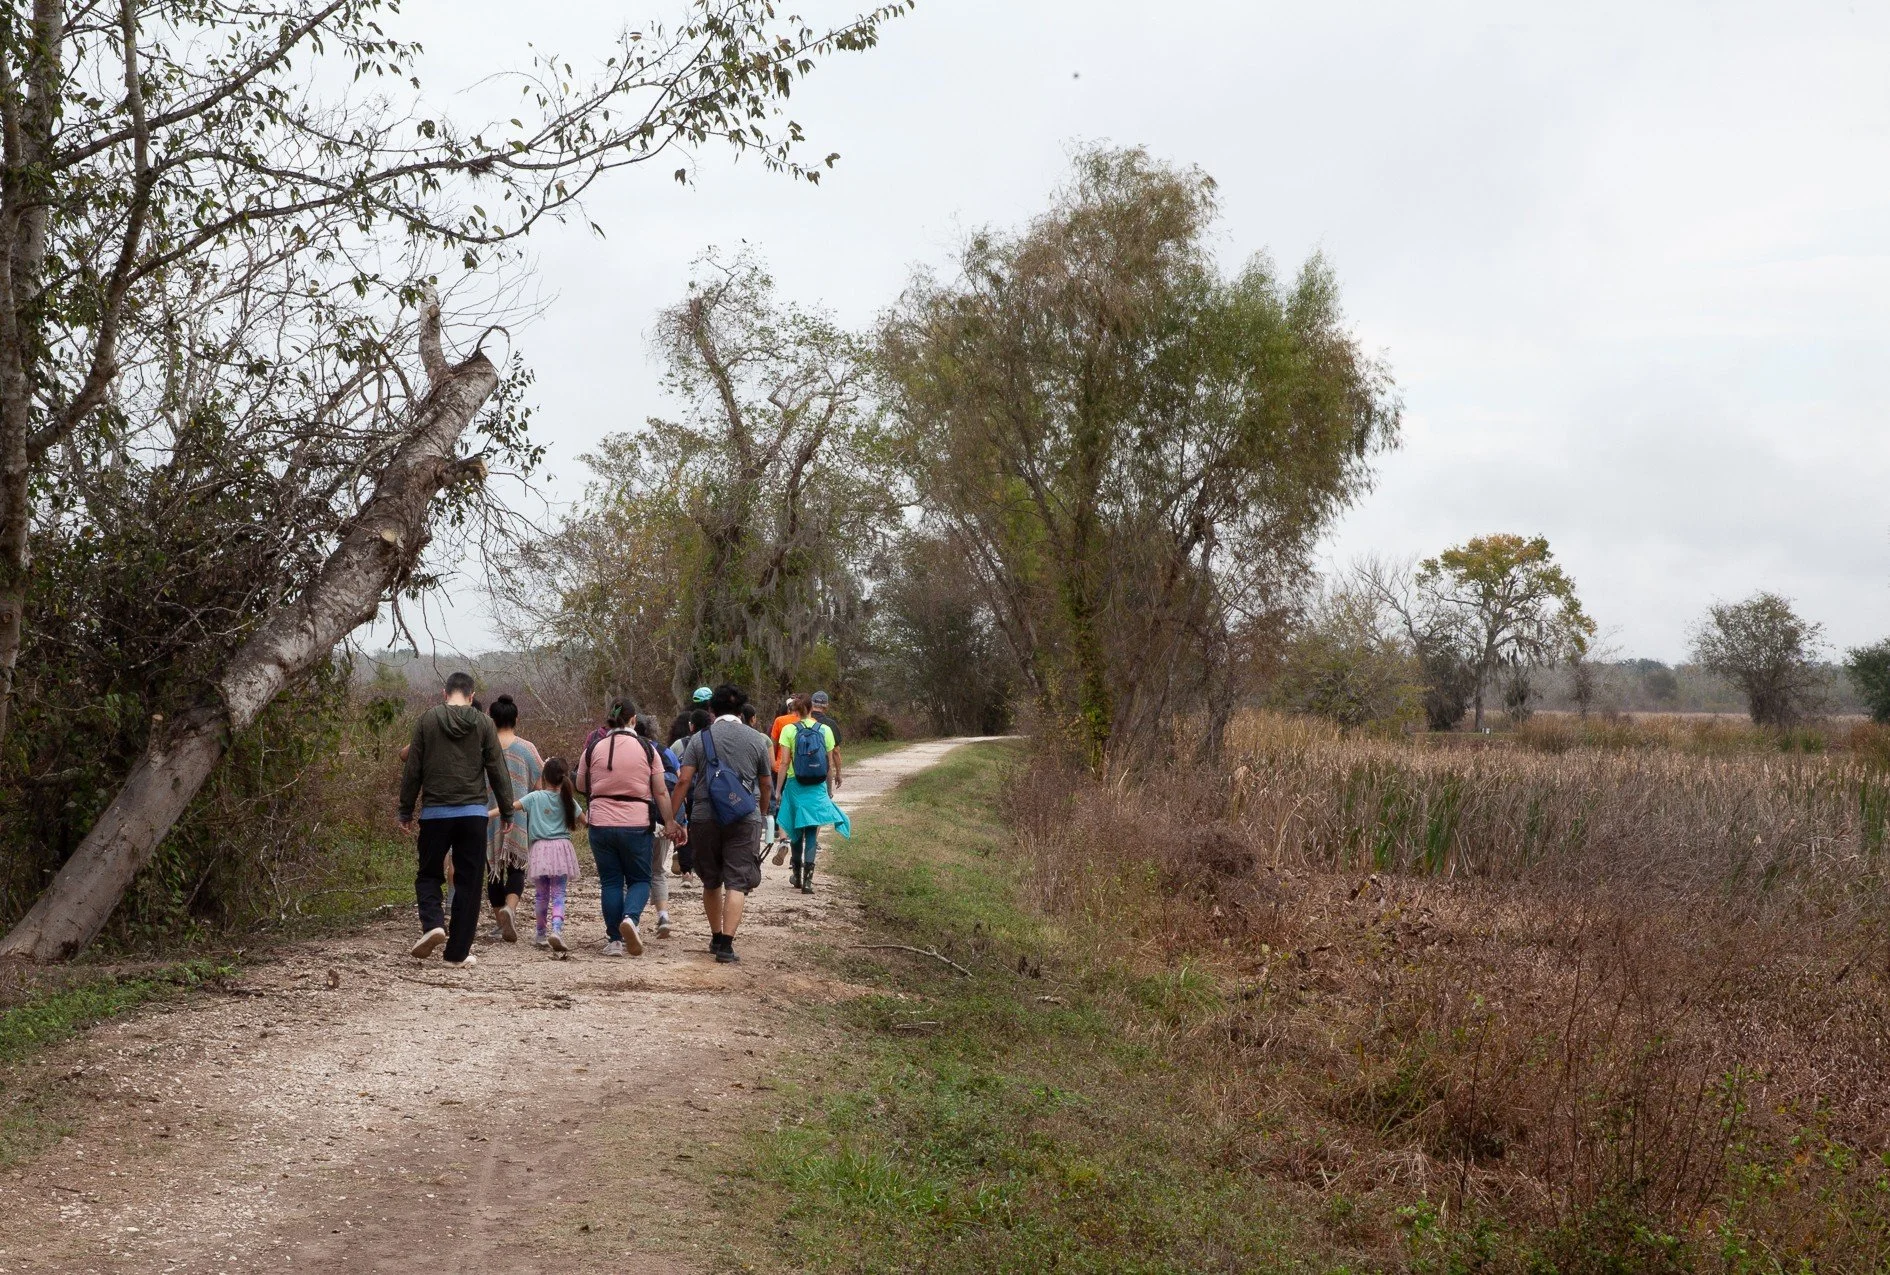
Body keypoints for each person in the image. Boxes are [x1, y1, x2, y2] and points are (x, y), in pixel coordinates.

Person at [399, 671, 516, 967]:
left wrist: (405, 809)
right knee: (468, 882)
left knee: (428, 874)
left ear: (444, 693)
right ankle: (457, 953)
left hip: (435, 813)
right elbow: (497, 769)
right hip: (473, 814)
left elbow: (413, 769)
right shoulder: (483, 723)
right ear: (472, 696)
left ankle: (434, 924)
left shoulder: (427, 720)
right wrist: (507, 809)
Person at [672, 684, 775, 964]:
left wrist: (671, 817)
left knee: (711, 879)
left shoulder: (699, 739)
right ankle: (727, 946)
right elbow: (766, 783)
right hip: (744, 816)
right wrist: (762, 813)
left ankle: (715, 936)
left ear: (711, 710)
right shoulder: (757, 739)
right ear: (742, 711)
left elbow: (683, 780)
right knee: (737, 881)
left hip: (705, 817)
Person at [575, 699, 684, 957]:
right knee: (640, 879)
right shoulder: (647, 749)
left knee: (611, 881)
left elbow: (581, 784)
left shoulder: (593, 748)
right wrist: (669, 821)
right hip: (636, 823)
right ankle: (631, 919)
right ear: (634, 719)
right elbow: (660, 790)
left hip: (600, 823)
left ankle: (614, 940)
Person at [775, 693, 851, 893]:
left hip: (794, 784)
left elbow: (783, 763)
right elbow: (828, 764)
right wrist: (828, 789)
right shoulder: (825, 729)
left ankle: (797, 876)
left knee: (795, 830)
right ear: (811, 709)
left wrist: (777, 790)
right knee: (811, 830)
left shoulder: (789, 730)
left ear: (795, 710)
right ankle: (808, 880)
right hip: (816, 786)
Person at [485, 694, 543, 943]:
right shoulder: (527, 748)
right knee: (517, 867)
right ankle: (511, 908)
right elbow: (539, 785)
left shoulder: (483, 746)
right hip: (519, 815)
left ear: (491, 719)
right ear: (516, 718)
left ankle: (500, 923)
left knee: (493, 870)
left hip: (487, 815)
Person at [520, 756, 584, 954]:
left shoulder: (534, 797)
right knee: (559, 894)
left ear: (544, 777)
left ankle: (540, 933)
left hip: (540, 851)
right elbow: (587, 821)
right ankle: (556, 929)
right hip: (562, 850)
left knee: (541, 895)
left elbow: (511, 806)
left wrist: (486, 815)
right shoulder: (568, 800)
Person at [636, 713, 681, 938]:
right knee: (657, 871)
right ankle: (663, 916)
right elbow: (678, 779)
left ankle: (630, 920)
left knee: (630, 873)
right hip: (662, 820)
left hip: (634, 819)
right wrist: (674, 820)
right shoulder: (665, 752)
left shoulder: (629, 749)